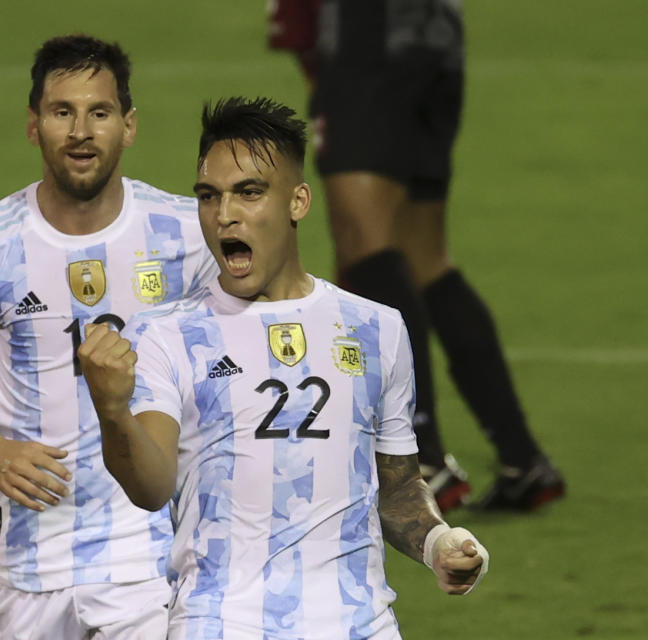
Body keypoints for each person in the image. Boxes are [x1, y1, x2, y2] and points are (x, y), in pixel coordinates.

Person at [77, 97, 489, 639]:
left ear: (298, 201)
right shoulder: (168, 335)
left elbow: (395, 485)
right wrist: (112, 410)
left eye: (249, 192)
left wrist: (438, 543)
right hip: (222, 623)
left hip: (358, 624)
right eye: (209, 196)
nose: (225, 214)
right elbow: (152, 487)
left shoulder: (376, 329)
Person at [0, 35, 218, 640]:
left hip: (151, 558)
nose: (81, 131)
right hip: (32, 561)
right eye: (62, 112)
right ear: (34, 126)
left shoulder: (188, 234)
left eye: (99, 113)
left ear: (129, 126)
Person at [267, 0, 565, 510]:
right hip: (436, 38)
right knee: (425, 256)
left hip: (370, 39)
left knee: (367, 246)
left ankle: (423, 461)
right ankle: (522, 460)